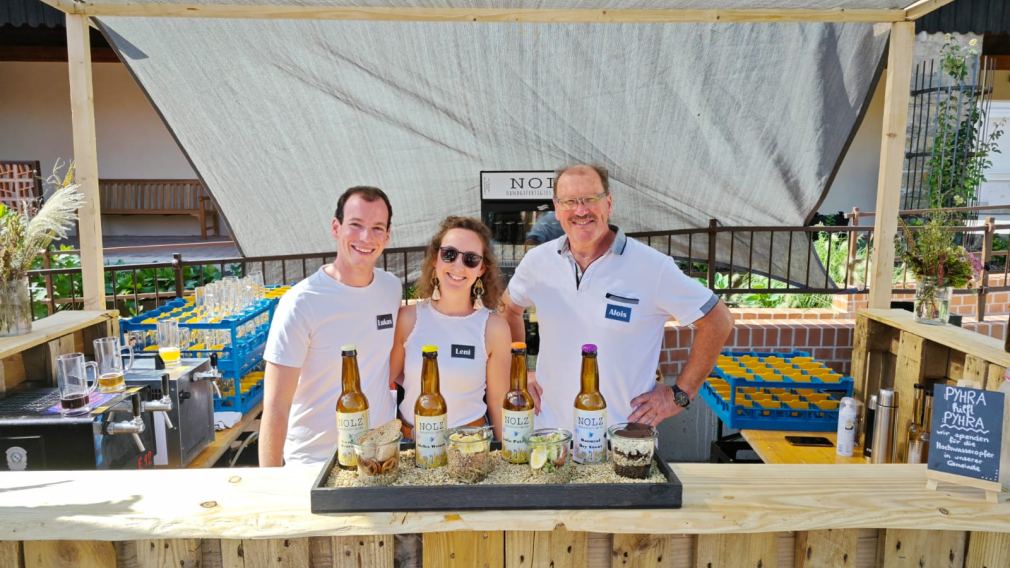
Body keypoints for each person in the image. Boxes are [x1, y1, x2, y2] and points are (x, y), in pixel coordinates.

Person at [501, 164, 734, 429]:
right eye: (569, 201)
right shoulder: (538, 261)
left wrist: (680, 394)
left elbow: (719, 320)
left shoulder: (653, 267)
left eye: (590, 199)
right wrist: (521, 374)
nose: (580, 210)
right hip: (551, 434)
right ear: (556, 207)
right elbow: (508, 309)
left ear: (608, 203)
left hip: (623, 439)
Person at [259, 186, 401, 466]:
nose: (365, 237)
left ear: (387, 236)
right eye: (355, 225)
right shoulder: (301, 302)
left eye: (376, 228)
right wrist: (270, 484)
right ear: (336, 228)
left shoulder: (390, 288)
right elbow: (275, 407)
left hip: (379, 458)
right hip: (315, 462)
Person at [389, 216, 511, 440]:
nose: (458, 265)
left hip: (471, 450)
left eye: (471, 259)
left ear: (482, 268)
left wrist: (508, 458)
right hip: (411, 445)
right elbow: (387, 377)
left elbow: (498, 401)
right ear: (436, 258)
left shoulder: (494, 329)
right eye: (449, 254)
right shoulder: (407, 319)